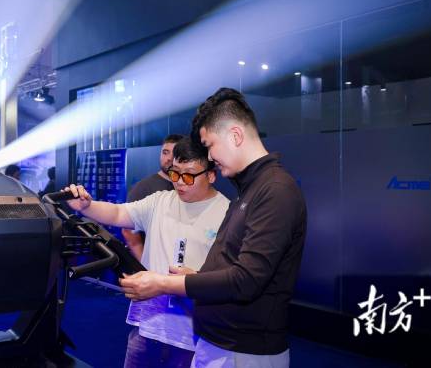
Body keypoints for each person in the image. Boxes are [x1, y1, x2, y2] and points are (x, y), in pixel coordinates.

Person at [120, 88, 307, 368]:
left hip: (245, 351)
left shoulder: (275, 190)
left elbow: (246, 280)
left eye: (210, 145)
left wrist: (162, 283)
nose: (210, 155)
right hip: (221, 344)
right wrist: (197, 276)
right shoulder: (250, 188)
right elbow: (234, 265)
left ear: (235, 135)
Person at [64, 137, 230, 368]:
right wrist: (86, 206)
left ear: (211, 175)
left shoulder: (227, 213)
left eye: (189, 175)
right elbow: (118, 213)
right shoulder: (160, 201)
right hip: (148, 326)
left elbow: (230, 279)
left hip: (194, 335)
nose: (180, 182)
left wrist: (195, 279)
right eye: (175, 173)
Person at [123, 134, 184, 260]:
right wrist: (145, 264)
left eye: (174, 153)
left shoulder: (187, 186)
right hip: (154, 265)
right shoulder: (143, 188)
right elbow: (129, 232)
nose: (169, 158)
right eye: (165, 153)